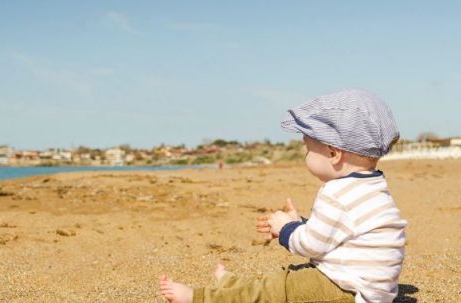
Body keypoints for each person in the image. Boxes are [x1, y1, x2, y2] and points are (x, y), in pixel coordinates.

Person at [159, 88, 407, 303]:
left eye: (308, 148)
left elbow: (310, 245)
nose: (305, 154)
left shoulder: (336, 193)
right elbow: (338, 235)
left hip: (345, 291)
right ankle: (231, 284)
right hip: (370, 292)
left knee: (275, 291)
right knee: (288, 278)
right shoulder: (373, 186)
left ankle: (197, 297)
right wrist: (300, 224)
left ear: (333, 153)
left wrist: (286, 228)